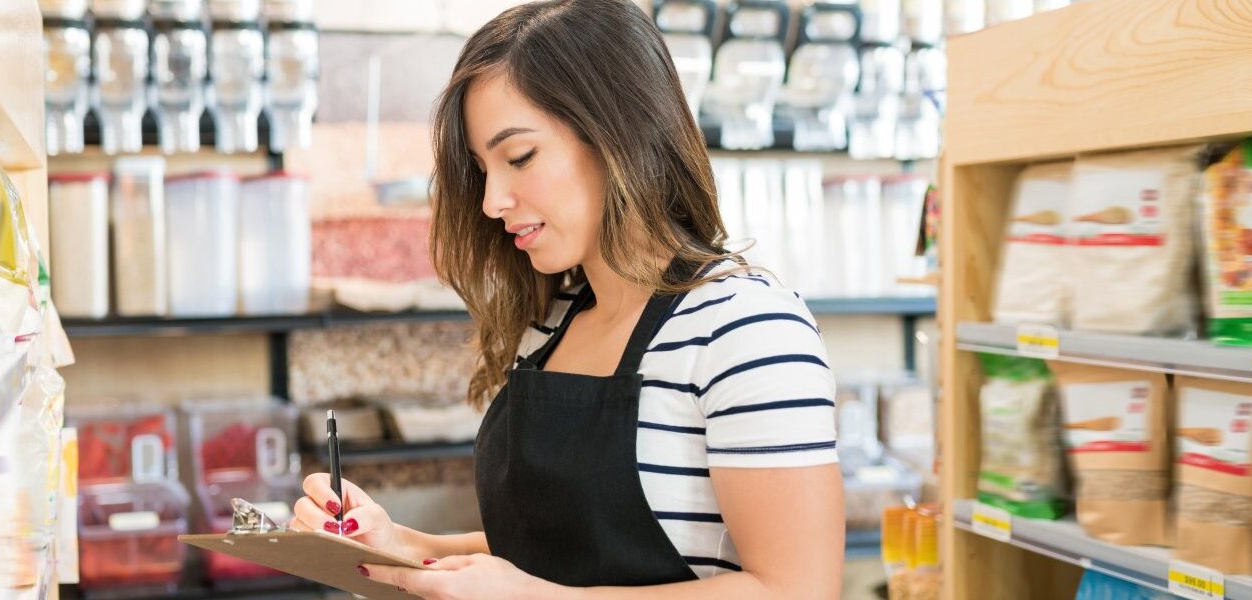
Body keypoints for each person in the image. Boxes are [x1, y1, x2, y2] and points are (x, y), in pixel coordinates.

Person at [290, 0, 843, 597]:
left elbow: (797, 588)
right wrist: (405, 546)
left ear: (620, 134)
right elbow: (554, 549)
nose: (491, 201)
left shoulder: (745, 329)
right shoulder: (554, 323)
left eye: (519, 157)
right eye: (482, 170)